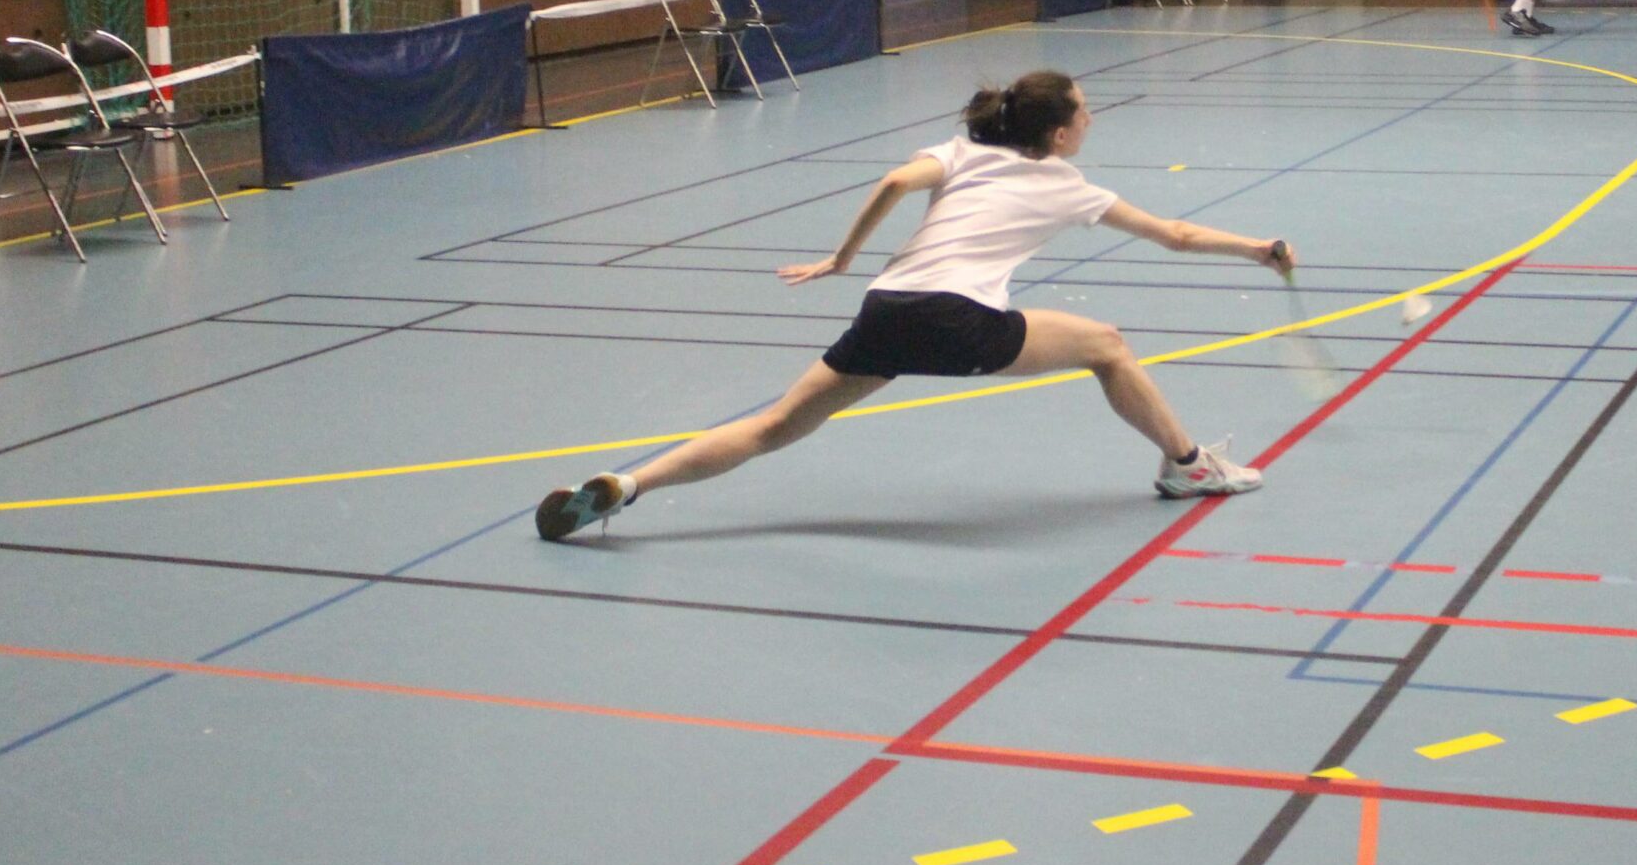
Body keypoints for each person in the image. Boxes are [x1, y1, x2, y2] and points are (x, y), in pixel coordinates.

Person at [535, 72, 1288, 541]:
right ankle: (1188, 467)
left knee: (773, 426)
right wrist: (1258, 248)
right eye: (1086, 113)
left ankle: (627, 486)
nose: (1091, 120)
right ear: (1060, 134)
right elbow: (1176, 234)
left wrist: (842, 259)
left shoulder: (960, 153)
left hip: (886, 308)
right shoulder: (1069, 184)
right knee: (1108, 345)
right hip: (957, 318)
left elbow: (896, 182)